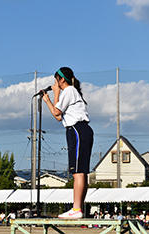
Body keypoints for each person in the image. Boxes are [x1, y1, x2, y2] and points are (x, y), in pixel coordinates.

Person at [42, 67, 94, 219]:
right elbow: (59, 117)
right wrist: (53, 97)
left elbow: (56, 112)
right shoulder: (69, 92)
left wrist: (48, 100)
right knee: (80, 171)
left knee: (78, 171)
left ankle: (76, 209)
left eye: (56, 80)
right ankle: (78, 208)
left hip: (77, 130)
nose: (54, 84)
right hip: (80, 130)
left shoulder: (69, 91)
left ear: (61, 79)